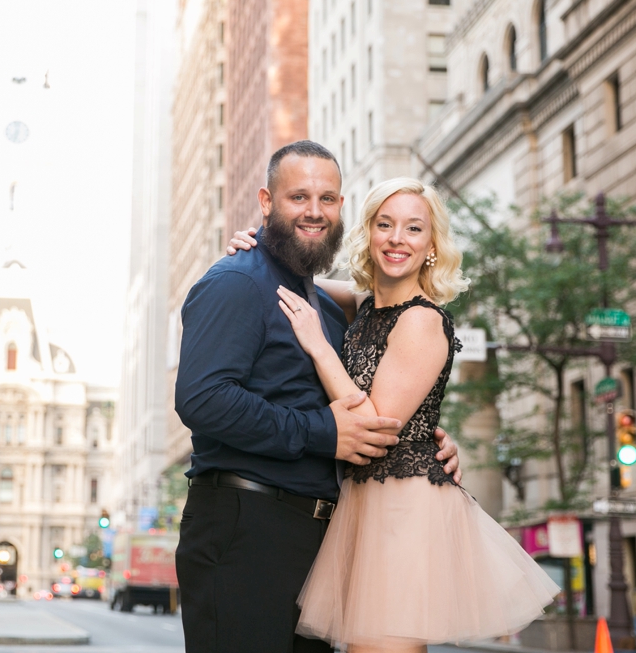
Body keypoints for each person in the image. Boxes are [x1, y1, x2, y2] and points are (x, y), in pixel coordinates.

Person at [233, 177, 559, 652]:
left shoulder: (424, 320)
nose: (397, 239)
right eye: (385, 224)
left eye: (413, 228)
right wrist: (252, 247)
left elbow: (375, 426)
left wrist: (319, 347)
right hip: (366, 501)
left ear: (431, 244)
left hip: (405, 508)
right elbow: (294, 281)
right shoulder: (366, 305)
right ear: (369, 232)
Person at [174, 141, 461, 653]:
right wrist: (326, 433)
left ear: (341, 209)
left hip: (324, 537)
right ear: (266, 202)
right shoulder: (239, 282)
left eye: (327, 199)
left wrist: (425, 436)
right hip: (247, 529)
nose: (313, 211)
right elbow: (203, 399)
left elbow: (389, 385)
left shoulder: (322, 304)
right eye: (298, 197)